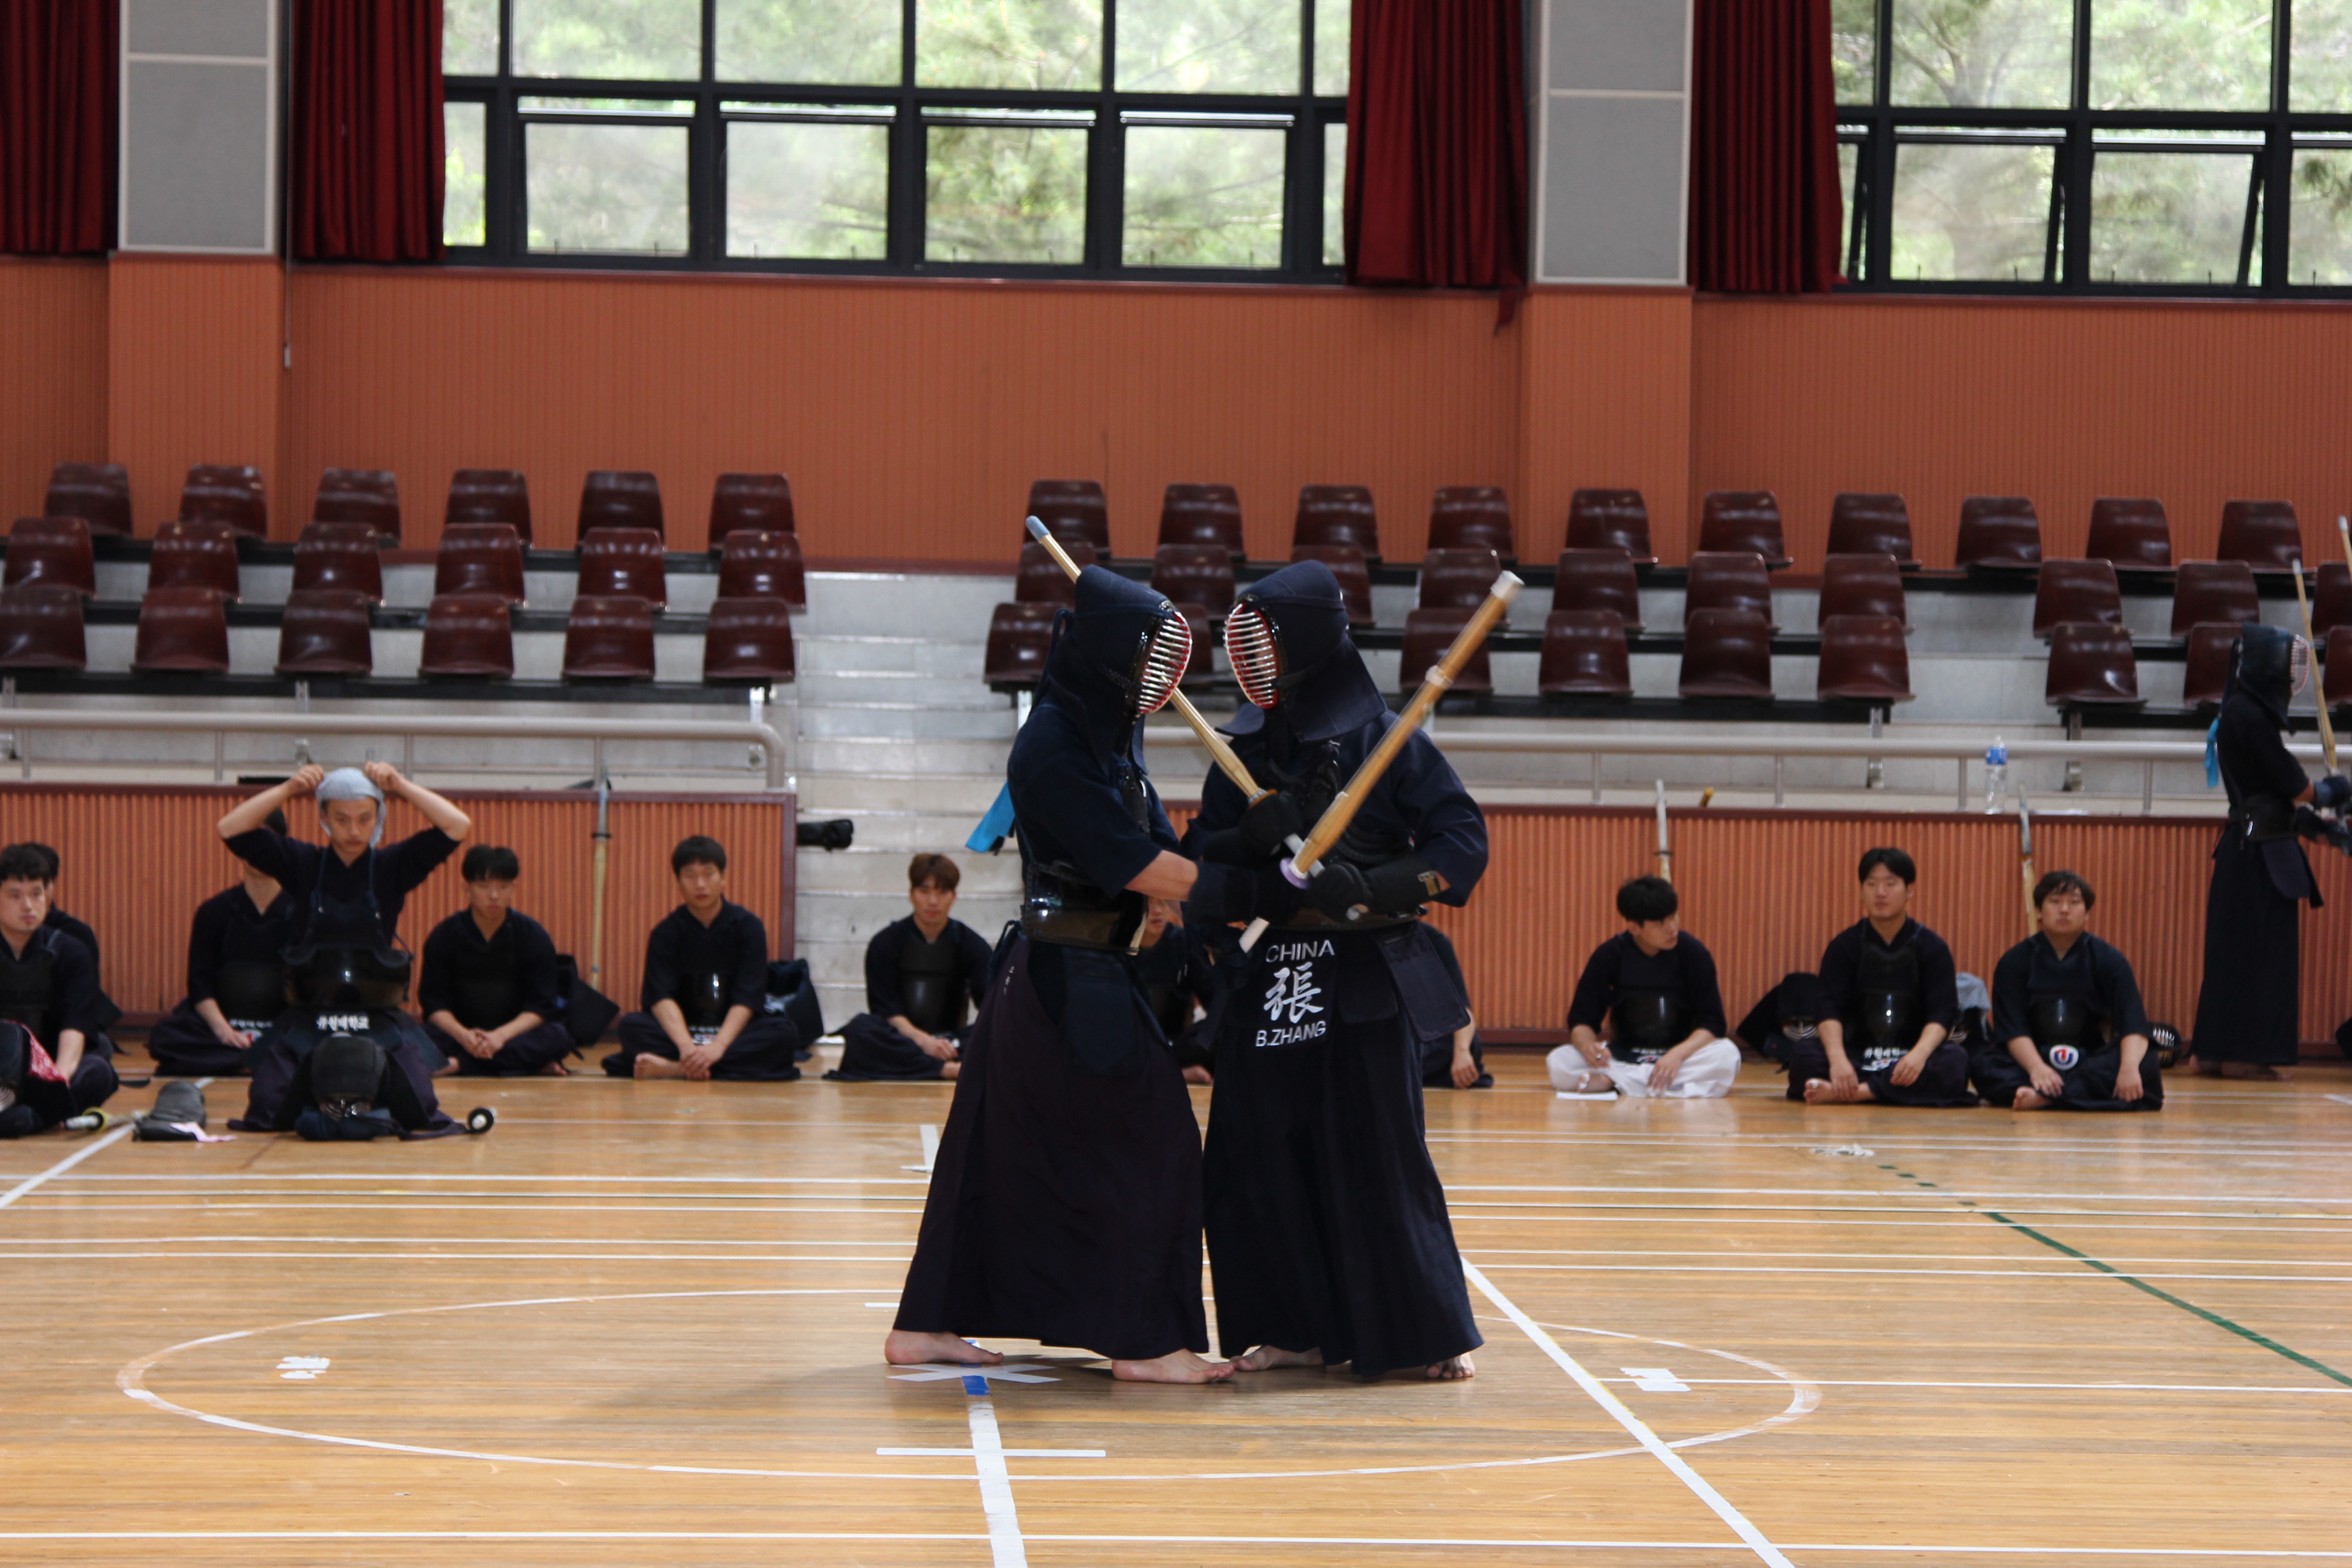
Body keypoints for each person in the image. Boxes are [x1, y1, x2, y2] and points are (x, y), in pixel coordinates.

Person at [889, 565, 1286, 1384]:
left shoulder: (1105, 733)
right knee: (1159, 1142)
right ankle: (1144, 1341)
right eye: (1146, 656)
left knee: (990, 1155)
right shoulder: (1052, 743)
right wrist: (1252, 888)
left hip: (1080, 971)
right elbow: (1130, 858)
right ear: (1109, 653)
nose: (1157, 676)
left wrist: (1227, 857)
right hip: (1064, 981)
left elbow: (1151, 846)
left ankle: (923, 1326)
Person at [1187, 557, 1488, 1381]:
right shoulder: (1242, 749)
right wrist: (1242, 845)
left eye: (1268, 638)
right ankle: (1293, 1326)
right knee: (1257, 1159)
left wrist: (1377, 884)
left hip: (1361, 978)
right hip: (1271, 979)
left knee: (1377, 1157)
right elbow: (1197, 857)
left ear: (1310, 641)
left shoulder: (1386, 744)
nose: (1252, 655)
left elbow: (1462, 846)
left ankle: (1419, 1335)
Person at [216, 763, 472, 1134]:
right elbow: (230, 828)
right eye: (342, 819)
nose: (354, 830)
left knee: (421, 1106)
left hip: (378, 1013)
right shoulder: (301, 863)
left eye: (365, 818)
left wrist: (400, 784)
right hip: (310, 1013)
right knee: (267, 1108)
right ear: (323, 818)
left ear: (379, 817)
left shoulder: (392, 865)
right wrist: (288, 789)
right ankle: (334, 1104)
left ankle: (361, 1104)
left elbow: (457, 825)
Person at [2190, 623, 2351, 1079]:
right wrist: (2335, 788)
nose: (2289, 677)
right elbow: (2297, 789)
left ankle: (2215, 1052)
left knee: (2231, 956)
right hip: (2256, 860)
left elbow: (2266, 798)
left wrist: (2321, 829)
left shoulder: (2238, 710)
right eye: (2285, 667)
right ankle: (2244, 1057)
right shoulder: (2249, 716)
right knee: (2260, 959)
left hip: (2247, 853)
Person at [604, 836, 801, 1081]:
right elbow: (660, 997)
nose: (700, 884)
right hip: (683, 1032)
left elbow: (749, 997)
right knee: (632, 1026)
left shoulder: (748, 928)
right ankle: (700, 1066)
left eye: (708, 874)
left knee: (783, 1035)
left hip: (732, 1032)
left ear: (723, 878)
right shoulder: (666, 933)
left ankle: (674, 1069)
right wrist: (688, 1049)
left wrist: (717, 1048)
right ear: (677, 881)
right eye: (690, 875)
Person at [1796, 847, 1974, 1106]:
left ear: (1909, 891)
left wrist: (1919, 1056)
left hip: (1910, 1056)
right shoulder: (1844, 946)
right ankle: (1877, 1088)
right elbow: (1828, 1008)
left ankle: (1857, 1092)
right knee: (1804, 1055)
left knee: (1954, 1060)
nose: (1880, 893)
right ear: (1861, 891)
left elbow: (1942, 1012)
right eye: (1872, 884)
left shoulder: (1932, 947)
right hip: (1856, 1054)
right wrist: (1838, 1060)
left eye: (1890, 884)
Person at [1979, 870, 2161, 1112]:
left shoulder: (2110, 960)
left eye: (2074, 902)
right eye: (2055, 902)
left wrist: (2128, 1069)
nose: (2064, 910)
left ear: (2086, 913)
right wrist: (2037, 1068)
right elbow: (2013, 1030)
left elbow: (2133, 1023)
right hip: (2034, 1058)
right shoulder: (2014, 962)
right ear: (2040, 912)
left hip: (2090, 1060)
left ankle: (2044, 1098)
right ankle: (2070, 1094)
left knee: (2145, 1063)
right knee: (1982, 1066)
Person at [1546, 877, 1737, 1098]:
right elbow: (1581, 1022)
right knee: (1559, 1061)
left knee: (1727, 1055)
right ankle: (1655, 1084)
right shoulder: (1609, 955)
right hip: (1624, 1055)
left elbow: (1713, 1023)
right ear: (1634, 928)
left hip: (1678, 1056)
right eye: (1660, 924)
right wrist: (1590, 1048)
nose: (1672, 928)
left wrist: (1677, 1055)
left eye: (1673, 916)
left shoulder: (1694, 954)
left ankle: (1617, 1083)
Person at [146, 808, 297, 1077]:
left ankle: (248, 1057)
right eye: (247, 840)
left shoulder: (303, 911)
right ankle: (252, 1058)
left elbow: (310, 988)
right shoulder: (213, 911)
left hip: (281, 1028)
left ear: (282, 844)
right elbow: (199, 985)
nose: (256, 851)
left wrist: (276, 1035)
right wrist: (223, 1031)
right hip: (224, 1029)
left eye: (263, 840)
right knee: (165, 1038)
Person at [828, 853, 992, 1082]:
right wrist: (924, 1041)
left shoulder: (973, 945)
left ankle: (924, 1066)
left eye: (942, 892)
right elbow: (886, 1010)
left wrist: (942, 1044)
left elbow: (990, 1006)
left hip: (952, 1042)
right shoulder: (885, 943)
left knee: (1002, 1029)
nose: (933, 901)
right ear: (911, 895)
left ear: (954, 897)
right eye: (925, 891)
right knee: (861, 1030)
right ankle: (944, 1070)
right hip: (903, 1039)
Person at [419, 846, 576, 1077]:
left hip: (513, 1034)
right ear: (467, 888)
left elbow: (541, 1006)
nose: (494, 896)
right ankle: (523, 1065)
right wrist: (464, 1036)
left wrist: (499, 1037)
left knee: (558, 1037)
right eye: (484, 887)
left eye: (503, 887)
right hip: (460, 1033)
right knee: (411, 1037)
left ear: (513, 889)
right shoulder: (444, 936)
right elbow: (434, 1005)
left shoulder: (533, 935)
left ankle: (459, 1065)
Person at [0, 845, 118, 1128]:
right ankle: (28, 1117)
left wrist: (58, 1082)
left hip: (47, 1071)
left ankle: (26, 1117)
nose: (28, 906)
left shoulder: (71, 951)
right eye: (15, 896)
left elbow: (75, 1025)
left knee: (99, 1072)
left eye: (36, 894)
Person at [1420, 924, 1490, 1089]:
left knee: (1469, 1041)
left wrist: (1462, 1052)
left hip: (1423, 1039)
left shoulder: (1433, 940)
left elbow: (1462, 1011)